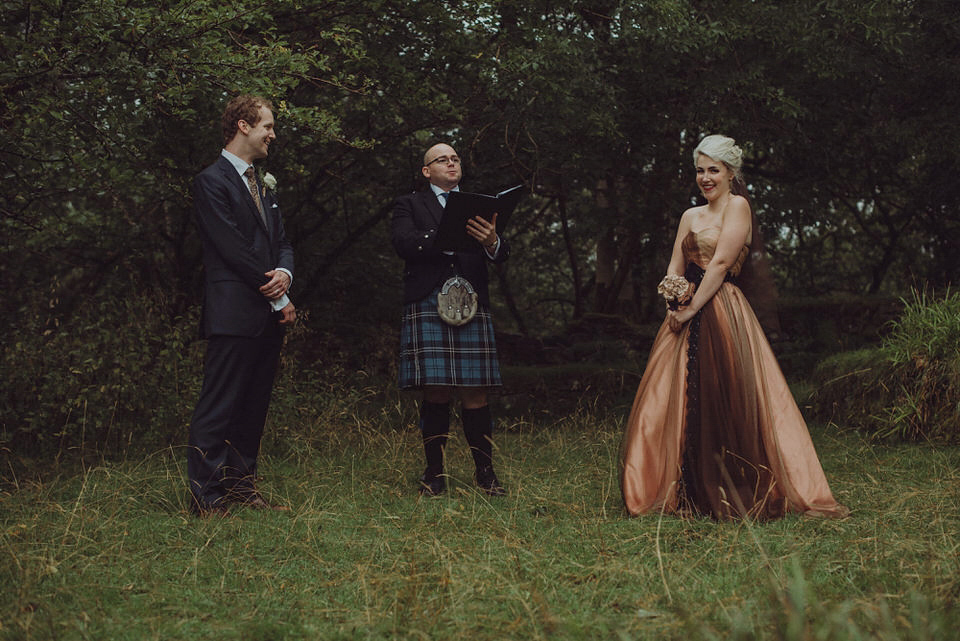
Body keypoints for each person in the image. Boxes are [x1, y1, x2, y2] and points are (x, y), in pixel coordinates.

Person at [620, 134, 848, 520]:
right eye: (700, 170)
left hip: (721, 307)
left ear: (729, 173)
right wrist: (673, 298)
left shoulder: (738, 207)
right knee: (667, 398)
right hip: (683, 310)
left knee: (724, 393)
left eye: (714, 170)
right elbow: (675, 264)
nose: (705, 178)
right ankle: (672, 489)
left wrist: (692, 309)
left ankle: (727, 488)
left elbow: (722, 265)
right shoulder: (689, 216)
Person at [187, 94, 296, 517]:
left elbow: (282, 242)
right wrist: (279, 293)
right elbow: (231, 247)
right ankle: (206, 497)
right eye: (267, 126)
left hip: (266, 314)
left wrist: (286, 273)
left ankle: (241, 487)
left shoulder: (262, 184)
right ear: (243, 126)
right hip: (233, 311)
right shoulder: (210, 181)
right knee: (219, 406)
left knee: (254, 405)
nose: (272, 134)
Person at [391, 143, 510, 497]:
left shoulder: (479, 205)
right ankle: (434, 473)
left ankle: (486, 474)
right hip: (429, 299)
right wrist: (443, 238)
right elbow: (402, 242)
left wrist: (492, 242)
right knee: (436, 390)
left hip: (472, 300)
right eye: (443, 159)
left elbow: (502, 253)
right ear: (427, 171)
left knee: (476, 392)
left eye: (456, 158)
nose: (452, 163)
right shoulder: (409, 204)